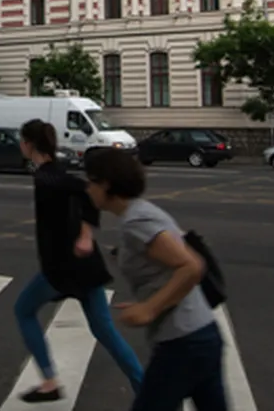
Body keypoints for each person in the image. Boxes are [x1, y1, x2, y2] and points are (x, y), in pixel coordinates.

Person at [12, 119, 143, 403]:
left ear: (29, 144)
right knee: (104, 331)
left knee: (23, 310)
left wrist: (84, 235)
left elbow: (87, 192)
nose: (20, 145)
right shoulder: (53, 171)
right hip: (84, 267)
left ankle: (49, 382)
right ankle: (145, 389)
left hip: (61, 268)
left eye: (21, 140)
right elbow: (86, 196)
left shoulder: (47, 177)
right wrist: (86, 235)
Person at [85, 148, 227, 410]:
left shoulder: (137, 221)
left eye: (90, 182)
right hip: (200, 335)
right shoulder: (139, 213)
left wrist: (149, 309)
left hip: (183, 343)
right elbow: (167, 269)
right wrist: (148, 299)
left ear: (105, 184)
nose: (87, 189)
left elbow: (191, 266)